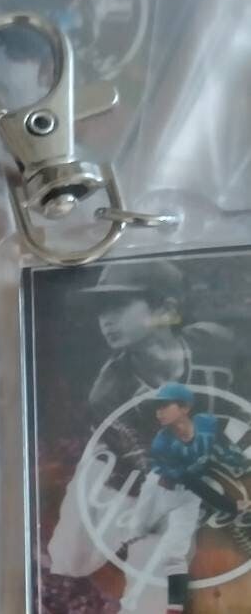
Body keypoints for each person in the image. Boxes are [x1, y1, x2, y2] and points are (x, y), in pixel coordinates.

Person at [48, 260, 237, 588]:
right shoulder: (108, 390)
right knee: (71, 560)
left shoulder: (217, 344)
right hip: (122, 470)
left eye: (118, 305)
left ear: (167, 309)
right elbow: (152, 470)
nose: (105, 320)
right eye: (101, 309)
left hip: (196, 456)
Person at [124, 383, 251, 614]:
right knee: (137, 531)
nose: (159, 411)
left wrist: (242, 463)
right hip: (159, 491)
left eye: (165, 405)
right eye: (157, 407)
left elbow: (227, 449)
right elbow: (194, 482)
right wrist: (231, 505)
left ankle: (175, 606)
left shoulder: (207, 423)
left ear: (185, 408)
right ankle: (127, 545)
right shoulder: (162, 443)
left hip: (188, 496)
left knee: (175, 552)